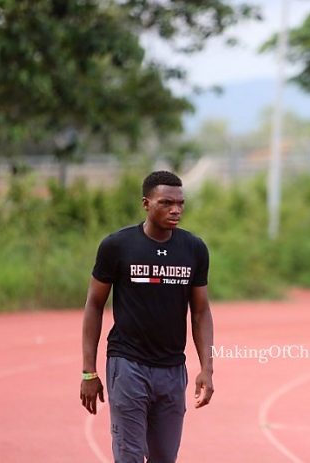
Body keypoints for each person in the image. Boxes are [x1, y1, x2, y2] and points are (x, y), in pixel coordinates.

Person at [80, 171, 214, 463]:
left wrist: (207, 368)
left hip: (172, 369)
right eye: (166, 202)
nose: (175, 209)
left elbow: (201, 311)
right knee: (128, 456)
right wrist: (89, 371)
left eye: (180, 203)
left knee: (164, 457)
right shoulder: (117, 246)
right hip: (128, 366)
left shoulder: (194, 249)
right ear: (146, 203)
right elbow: (94, 304)